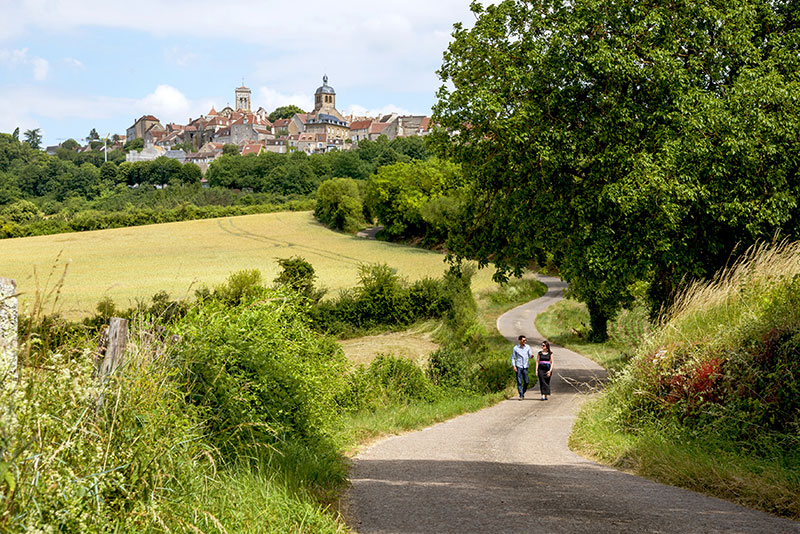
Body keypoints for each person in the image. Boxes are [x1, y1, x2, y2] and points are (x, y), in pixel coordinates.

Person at [511, 335, 532, 400]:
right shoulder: (515, 348)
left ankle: (522, 392)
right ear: (520, 340)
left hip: (525, 366)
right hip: (519, 366)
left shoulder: (527, 347)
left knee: (526, 381)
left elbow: (530, 354)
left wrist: (531, 356)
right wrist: (514, 366)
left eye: (525, 340)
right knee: (519, 381)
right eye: (523, 340)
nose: (524, 342)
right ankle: (521, 395)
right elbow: (513, 358)